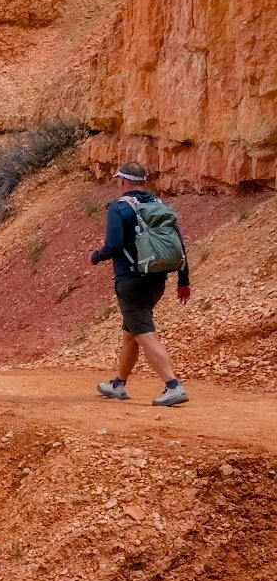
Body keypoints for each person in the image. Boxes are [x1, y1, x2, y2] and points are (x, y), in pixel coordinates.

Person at [89, 162, 190, 407]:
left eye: (118, 180)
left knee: (144, 334)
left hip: (130, 281)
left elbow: (113, 245)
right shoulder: (159, 205)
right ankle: (118, 384)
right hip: (157, 280)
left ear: (123, 181)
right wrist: (183, 280)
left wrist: (96, 256)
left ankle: (173, 385)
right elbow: (179, 244)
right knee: (131, 334)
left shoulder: (119, 207)